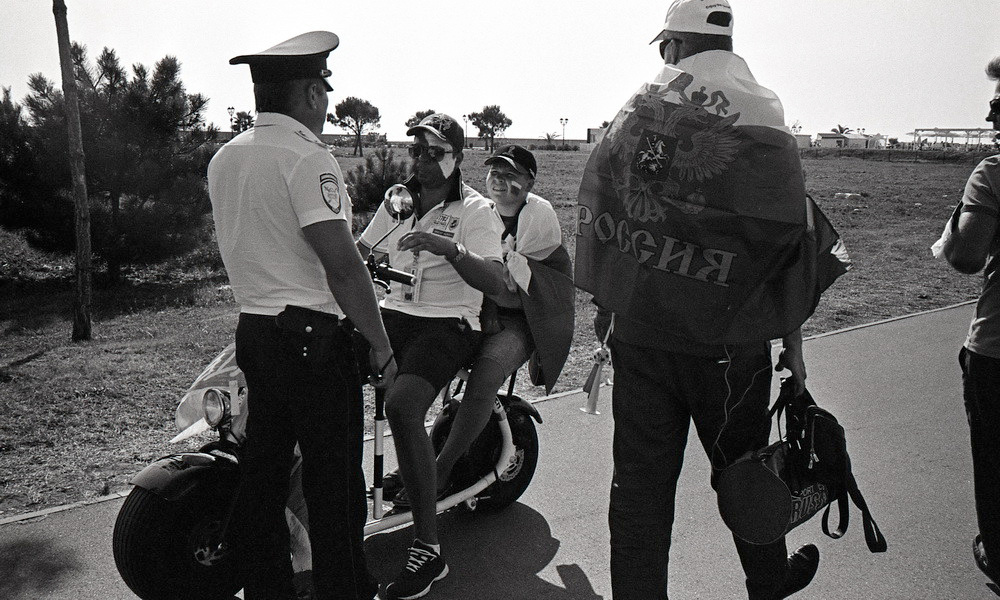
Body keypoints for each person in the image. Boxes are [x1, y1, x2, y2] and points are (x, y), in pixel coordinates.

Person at [574, 1, 851, 598]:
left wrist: (608, 304)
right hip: (729, 347)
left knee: (640, 489)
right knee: (746, 472)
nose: (663, 57)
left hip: (642, 336)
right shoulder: (763, 111)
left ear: (676, 42)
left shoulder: (637, 107)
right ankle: (769, 581)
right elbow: (780, 243)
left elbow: (605, 204)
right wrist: (794, 347)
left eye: (664, 45)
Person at [207, 31, 396, 600]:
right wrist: (382, 345)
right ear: (312, 93)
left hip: (255, 331)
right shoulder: (308, 159)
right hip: (313, 341)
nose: (328, 106)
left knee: (265, 470)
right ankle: (346, 591)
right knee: (333, 480)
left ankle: (267, 588)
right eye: (324, 93)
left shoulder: (226, 156)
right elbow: (341, 266)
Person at [357, 113, 505, 600]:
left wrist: (451, 249)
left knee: (402, 406)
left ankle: (428, 549)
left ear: (457, 157)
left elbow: (496, 282)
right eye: (416, 150)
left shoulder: (477, 211)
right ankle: (326, 506)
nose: (421, 160)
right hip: (393, 311)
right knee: (319, 368)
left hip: (449, 320)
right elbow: (364, 249)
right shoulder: (398, 200)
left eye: (434, 152)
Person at [432, 144, 574, 492]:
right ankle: (413, 464)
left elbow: (511, 286)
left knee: (483, 380)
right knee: (422, 368)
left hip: (525, 318)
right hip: (480, 313)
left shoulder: (539, 216)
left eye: (511, 173)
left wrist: (490, 301)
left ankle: (439, 470)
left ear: (529, 182)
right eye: (495, 171)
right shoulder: (480, 212)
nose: (500, 179)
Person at [938, 55, 1000, 587]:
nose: (989, 115)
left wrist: (960, 214)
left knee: (995, 458)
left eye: (999, 104)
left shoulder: (992, 173)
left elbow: (965, 257)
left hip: (997, 347)